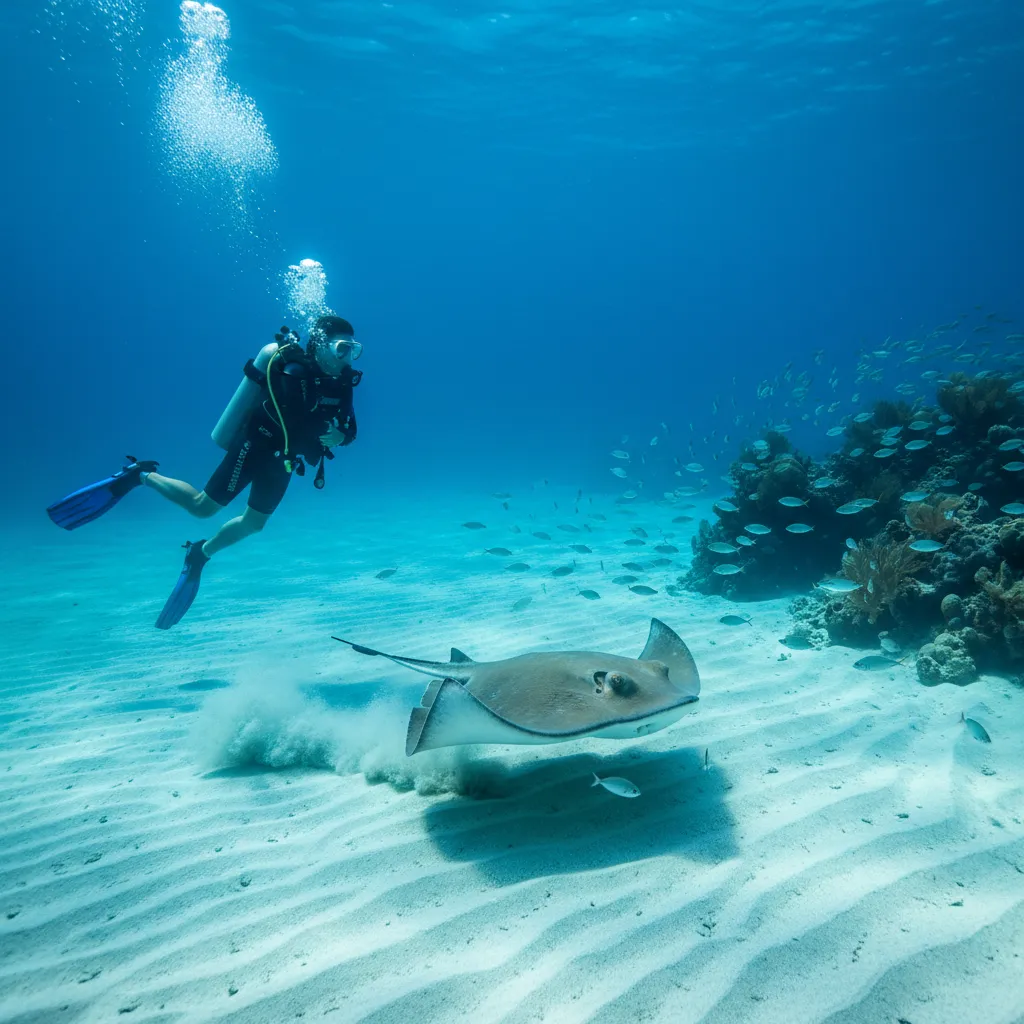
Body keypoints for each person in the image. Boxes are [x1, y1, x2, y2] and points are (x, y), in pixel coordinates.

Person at [46, 315, 362, 628]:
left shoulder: (343, 380)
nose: (347, 357)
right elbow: (296, 420)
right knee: (202, 508)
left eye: (354, 350)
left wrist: (341, 436)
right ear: (321, 345)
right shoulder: (294, 371)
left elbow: (350, 427)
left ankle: (200, 553)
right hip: (257, 447)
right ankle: (140, 475)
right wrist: (329, 434)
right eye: (342, 348)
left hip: (285, 459)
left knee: (254, 525)